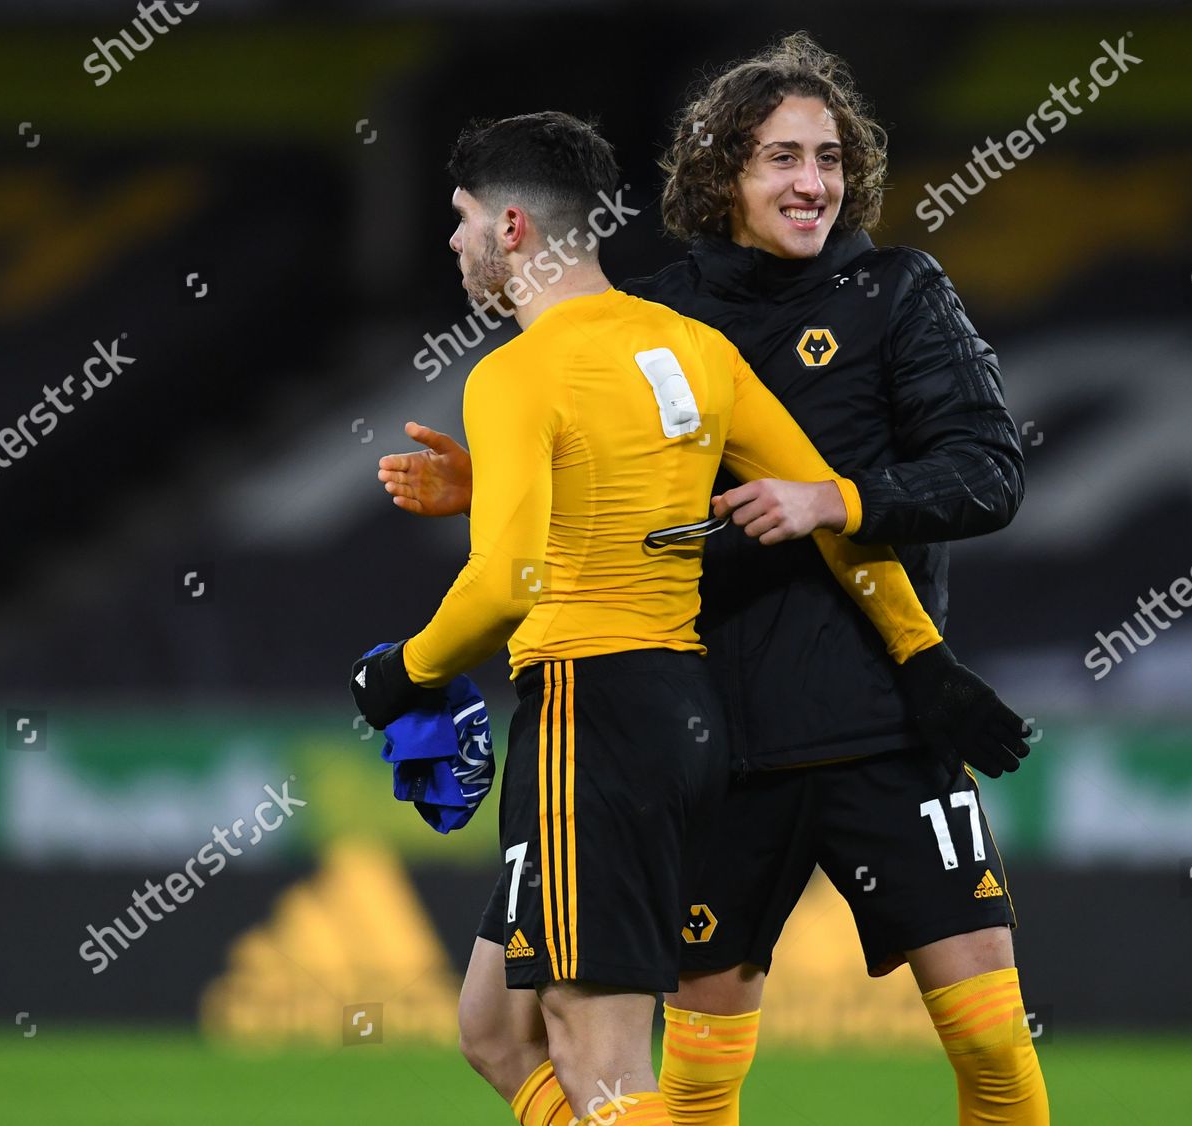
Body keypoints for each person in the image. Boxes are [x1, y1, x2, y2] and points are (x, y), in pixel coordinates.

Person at [356, 109, 993, 1126]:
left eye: (462, 217)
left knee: (598, 1057)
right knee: (494, 1029)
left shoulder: (517, 371)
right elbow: (826, 504)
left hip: (586, 714)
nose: (453, 241)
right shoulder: (691, 346)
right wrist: (922, 651)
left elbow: (507, 583)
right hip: (684, 719)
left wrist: (404, 674)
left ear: (512, 228)